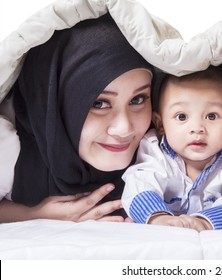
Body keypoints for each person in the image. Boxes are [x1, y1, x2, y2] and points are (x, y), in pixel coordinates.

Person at [0, 14, 154, 223]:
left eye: (138, 99)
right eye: (99, 104)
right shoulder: (9, 148)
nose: (124, 128)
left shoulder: (165, 142)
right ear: (55, 104)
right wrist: (35, 215)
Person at [121, 66, 222, 231]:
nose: (197, 128)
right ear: (160, 124)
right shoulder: (156, 151)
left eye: (211, 116)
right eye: (182, 117)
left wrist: (206, 222)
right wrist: (158, 218)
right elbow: (140, 182)